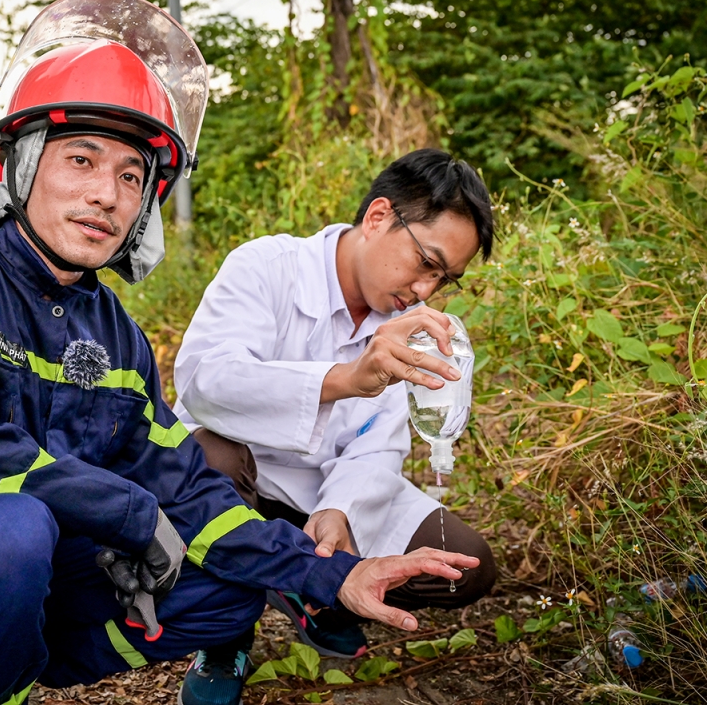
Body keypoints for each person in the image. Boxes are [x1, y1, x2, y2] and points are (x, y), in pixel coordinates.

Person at [0, 0, 480, 705]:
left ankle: (8, 658)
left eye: (130, 176)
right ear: (20, 162)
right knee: (10, 529)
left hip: (26, 567)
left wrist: (331, 575)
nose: (107, 196)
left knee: (226, 593)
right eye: (81, 159)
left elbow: (184, 483)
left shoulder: (113, 332)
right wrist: (131, 513)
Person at [173, 148, 498, 674]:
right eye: (426, 263)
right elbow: (203, 382)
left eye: (444, 279)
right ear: (377, 217)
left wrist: (340, 510)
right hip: (240, 482)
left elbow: (380, 441)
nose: (425, 290)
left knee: (464, 564)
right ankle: (225, 635)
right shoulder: (267, 267)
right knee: (209, 455)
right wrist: (343, 380)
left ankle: (319, 596)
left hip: (319, 494)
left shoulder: (411, 323)